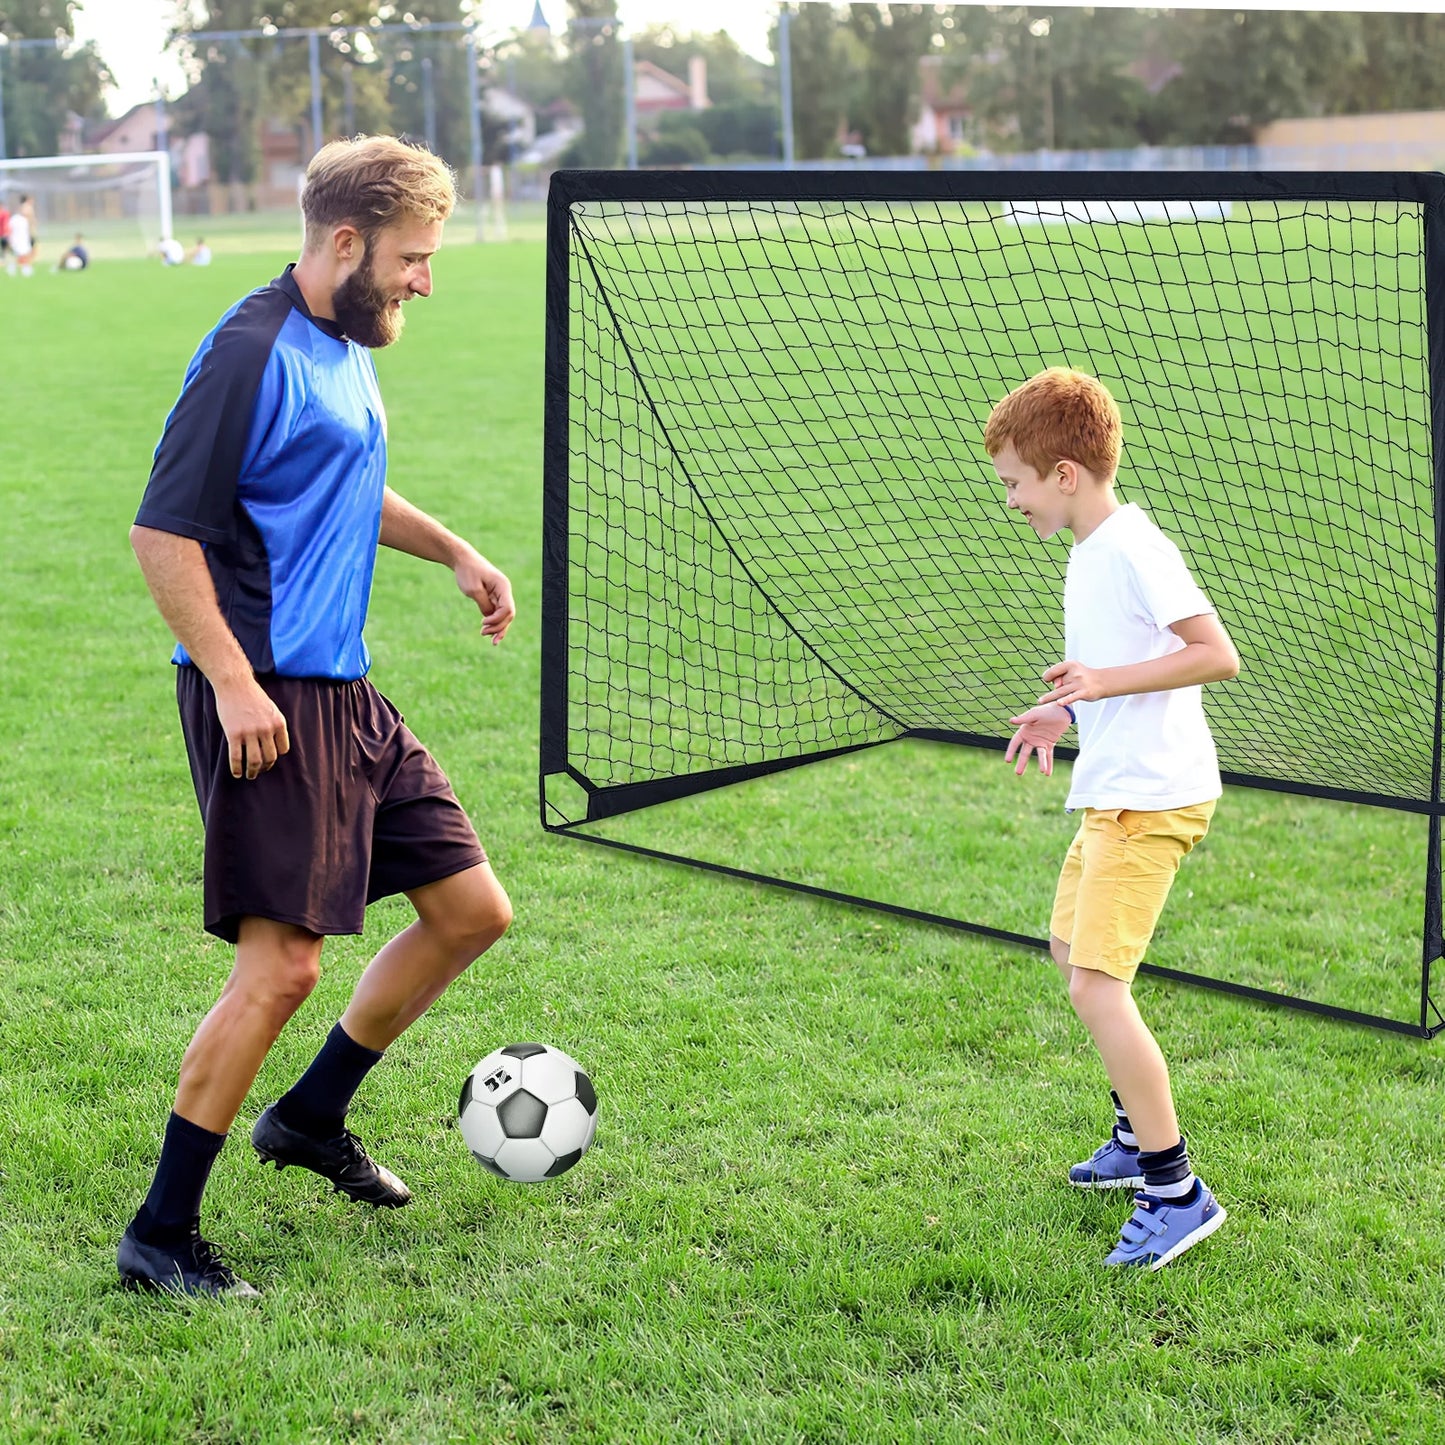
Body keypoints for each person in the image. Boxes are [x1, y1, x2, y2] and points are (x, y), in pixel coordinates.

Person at [121, 134, 516, 1298]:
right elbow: (162, 531)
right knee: (281, 968)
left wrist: (449, 546)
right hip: (268, 699)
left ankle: (307, 1116)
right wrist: (234, 680)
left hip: (346, 691)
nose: (423, 281)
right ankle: (160, 1232)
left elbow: (334, 475)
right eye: (412, 258)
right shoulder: (247, 351)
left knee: (469, 909)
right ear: (345, 242)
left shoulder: (346, 340)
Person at [985, 367, 1240, 1271]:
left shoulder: (1135, 545)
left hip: (1154, 797)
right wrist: (1068, 709)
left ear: (1063, 474)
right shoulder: (1088, 554)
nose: (1009, 499)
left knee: (1098, 985)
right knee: (1070, 955)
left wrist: (1101, 682)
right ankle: (1136, 1137)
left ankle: (1174, 1189)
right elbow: (1114, 665)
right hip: (1111, 788)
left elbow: (1215, 654)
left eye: (1014, 481)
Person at [7, 198, 34, 277]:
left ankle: (25, 268)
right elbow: (9, 229)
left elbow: (27, 231)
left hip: (24, 240)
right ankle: (14, 268)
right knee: (18, 255)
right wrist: (10, 239)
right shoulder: (14, 219)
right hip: (16, 240)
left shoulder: (25, 220)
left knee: (25, 254)